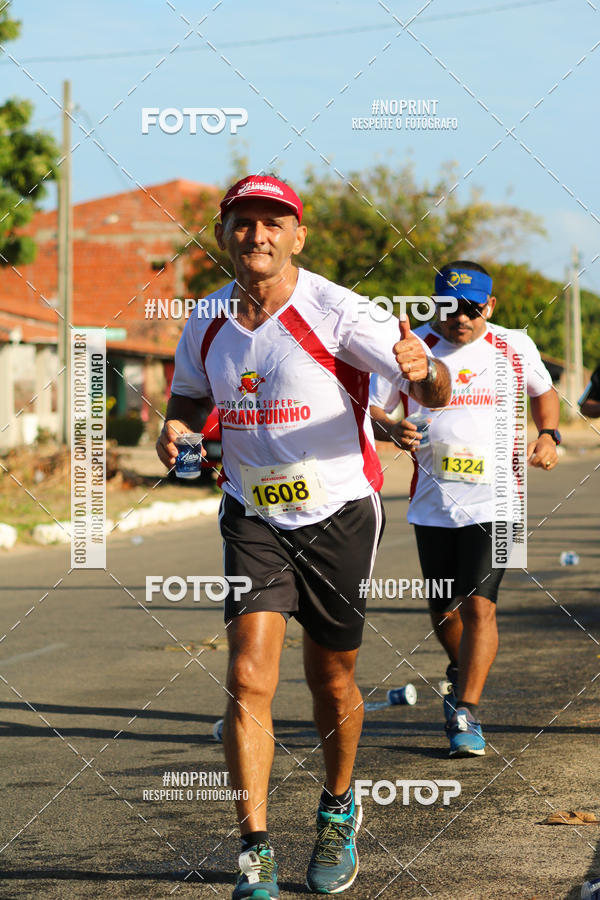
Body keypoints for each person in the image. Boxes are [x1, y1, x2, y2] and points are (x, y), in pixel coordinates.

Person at [156, 174, 451, 899]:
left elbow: (430, 387)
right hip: (252, 512)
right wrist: (177, 426)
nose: (258, 235)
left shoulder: (342, 312)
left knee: (331, 678)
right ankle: (254, 849)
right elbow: (190, 394)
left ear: (297, 236)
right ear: (225, 235)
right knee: (248, 675)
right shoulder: (208, 318)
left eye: (273, 223)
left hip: (340, 511)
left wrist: (428, 370)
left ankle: (338, 807)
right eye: (244, 223)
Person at [369, 260, 560, 758]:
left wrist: (548, 434)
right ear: (436, 306)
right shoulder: (415, 350)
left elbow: (545, 394)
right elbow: (376, 406)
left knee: (482, 605)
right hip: (431, 504)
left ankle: (466, 709)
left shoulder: (514, 344)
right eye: (450, 308)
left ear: (490, 306)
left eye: (473, 308)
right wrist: (392, 428)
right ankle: (461, 669)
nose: (462, 318)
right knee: (443, 609)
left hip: (504, 501)